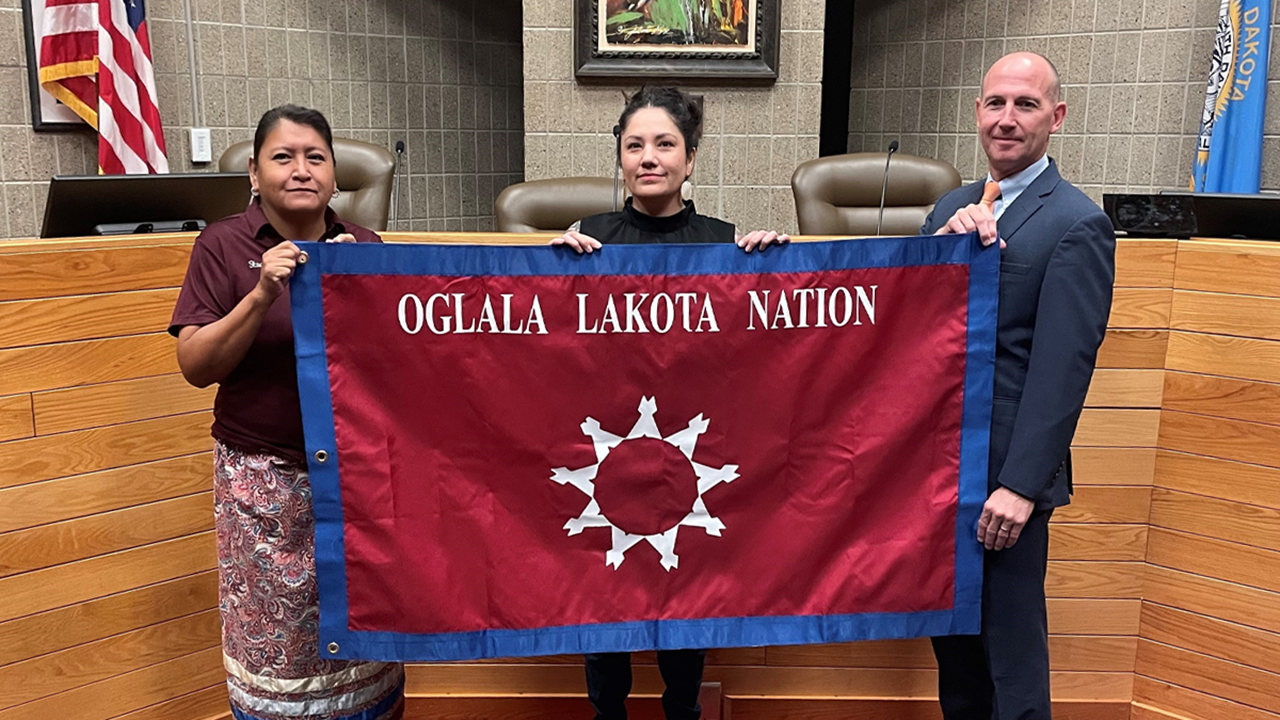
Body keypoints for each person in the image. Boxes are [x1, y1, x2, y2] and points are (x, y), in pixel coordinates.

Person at [552, 86, 788, 720]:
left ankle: (683, 711)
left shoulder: (727, 243)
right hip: (606, 449)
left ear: (690, 159)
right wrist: (547, 269)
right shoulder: (586, 240)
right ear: (620, 157)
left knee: (685, 602)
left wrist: (771, 270)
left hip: (692, 449)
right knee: (606, 605)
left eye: (665, 144)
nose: (648, 157)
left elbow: (752, 351)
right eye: (635, 145)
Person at [169, 105, 404, 720]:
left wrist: (368, 289)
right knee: (276, 646)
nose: (301, 170)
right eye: (283, 157)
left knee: (364, 635)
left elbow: (401, 368)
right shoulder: (222, 245)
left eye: (315, 158)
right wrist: (262, 293)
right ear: (253, 171)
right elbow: (196, 366)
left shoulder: (365, 246)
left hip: (355, 482)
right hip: (264, 486)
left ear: (333, 174)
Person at [920, 53, 1116, 720]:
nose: (1007, 119)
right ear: (977, 112)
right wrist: (938, 256)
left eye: (1025, 105)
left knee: (1011, 661)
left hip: (1008, 480)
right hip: (943, 471)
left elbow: (1064, 369)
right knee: (958, 657)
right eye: (995, 103)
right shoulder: (950, 205)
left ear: (1055, 117)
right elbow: (912, 332)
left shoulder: (1075, 222)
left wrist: (1020, 486)